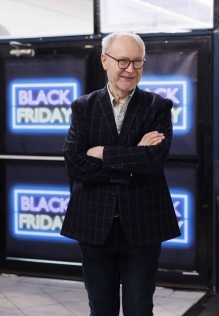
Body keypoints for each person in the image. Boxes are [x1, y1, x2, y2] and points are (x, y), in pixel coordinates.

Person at [62, 32, 181, 316]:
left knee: (139, 308)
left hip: (143, 224)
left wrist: (103, 152)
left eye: (138, 62)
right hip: (94, 224)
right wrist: (131, 159)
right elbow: (75, 162)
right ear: (105, 60)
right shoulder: (83, 106)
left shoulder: (157, 106)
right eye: (123, 61)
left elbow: (153, 159)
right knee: (101, 308)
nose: (131, 69)